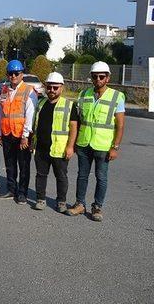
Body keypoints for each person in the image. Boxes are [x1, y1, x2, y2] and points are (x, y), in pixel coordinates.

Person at [67, 61, 125, 222]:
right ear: (91, 77)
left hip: (103, 145)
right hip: (84, 143)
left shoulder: (117, 96)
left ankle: (97, 207)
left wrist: (115, 147)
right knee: (82, 176)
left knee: (101, 177)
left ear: (107, 78)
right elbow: (77, 121)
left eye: (101, 76)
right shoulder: (84, 94)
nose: (98, 79)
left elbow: (120, 125)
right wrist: (73, 143)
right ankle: (80, 204)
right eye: (95, 76)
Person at [31, 72, 78, 212]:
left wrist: (70, 147)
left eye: (55, 87)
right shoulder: (41, 103)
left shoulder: (69, 105)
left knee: (61, 177)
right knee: (41, 175)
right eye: (49, 87)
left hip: (60, 148)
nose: (51, 90)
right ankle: (40, 199)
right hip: (41, 148)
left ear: (61, 87)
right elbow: (35, 124)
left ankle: (61, 202)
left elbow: (74, 127)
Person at [0, 59, 38, 205]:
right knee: (10, 164)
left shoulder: (29, 90)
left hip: (21, 136)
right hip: (7, 133)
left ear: (22, 74)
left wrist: (26, 136)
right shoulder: (4, 90)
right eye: (10, 73)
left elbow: (30, 115)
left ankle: (22, 193)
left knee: (24, 166)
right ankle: (11, 189)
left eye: (16, 73)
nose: (13, 76)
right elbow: (0, 114)